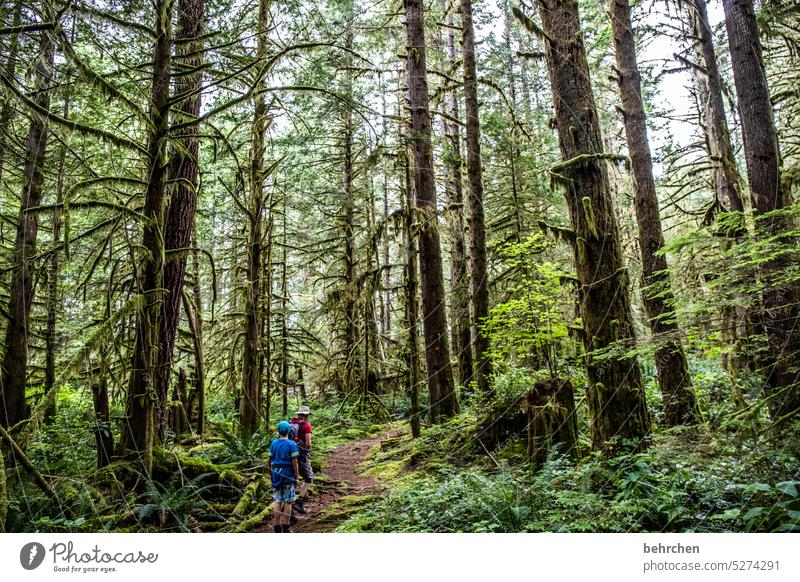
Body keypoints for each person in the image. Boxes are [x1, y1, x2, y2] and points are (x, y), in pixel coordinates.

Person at [268, 420, 301, 533]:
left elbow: (269, 459)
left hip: (276, 474)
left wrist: (271, 472)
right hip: (288, 475)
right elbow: (294, 462)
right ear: (289, 431)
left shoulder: (274, 443)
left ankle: (276, 527)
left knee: (277, 501)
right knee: (288, 501)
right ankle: (286, 527)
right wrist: (297, 476)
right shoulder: (292, 444)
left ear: (279, 431)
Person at [289, 406, 313, 514]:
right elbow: (308, 444)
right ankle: (299, 502)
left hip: (289, 455)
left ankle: (288, 507)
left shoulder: (291, 424)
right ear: (307, 415)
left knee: (292, 478)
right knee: (309, 477)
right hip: (301, 456)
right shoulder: (306, 425)